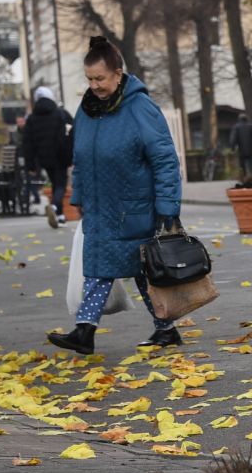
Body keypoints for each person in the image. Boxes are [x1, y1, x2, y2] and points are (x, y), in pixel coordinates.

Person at [46, 36, 185, 355]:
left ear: (118, 74)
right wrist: (78, 195)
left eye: (100, 78)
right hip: (98, 207)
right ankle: (153, 329)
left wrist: (167, 206)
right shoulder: (87, 110)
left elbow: (164, 158)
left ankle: (89, 330)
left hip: (133, 207)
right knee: (111, 267)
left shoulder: (140, 107)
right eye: (89, 79)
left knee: (128, 269)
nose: (94, 85)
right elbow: (80, 157)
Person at [21, 84, 75, 229]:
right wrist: (72, 155)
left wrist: (31, 165)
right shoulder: (60, 114)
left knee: (54, 183)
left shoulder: (32, 119)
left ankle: (61, 216)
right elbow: (73, 132)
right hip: (61, 156)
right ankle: (55, 207)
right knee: (61, 185)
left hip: (44, 158)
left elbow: (27, 143)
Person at [228, 112, 252, 183]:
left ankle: (244, 178)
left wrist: (232, 148)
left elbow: (233, 138)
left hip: (242, 150)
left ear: (239, 119)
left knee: (242, 164)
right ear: (247, 119)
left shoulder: (236, 127)